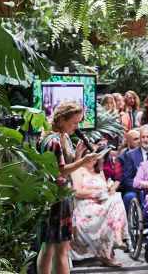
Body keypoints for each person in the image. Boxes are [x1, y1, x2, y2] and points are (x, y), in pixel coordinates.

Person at [37, 101, 100, 274]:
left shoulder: (58, 137)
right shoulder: (54, 141)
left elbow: (65, 164)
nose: (76, 126)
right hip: (57, 198)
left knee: (49, 246)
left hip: (53, 197)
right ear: (62, 120)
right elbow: (60, 171)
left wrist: (78, 154)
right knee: (61, 250)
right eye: (74, 122)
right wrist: (84, 161)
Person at [71, 145, 126, 267]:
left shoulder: (99, 171)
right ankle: (117, 239)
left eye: (95, 158)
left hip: (103, 203)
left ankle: (113, 244)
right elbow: (77, 192)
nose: (93, 161)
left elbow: (105, 189)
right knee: (115, 202)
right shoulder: (78, 170)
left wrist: (108, 188)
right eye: (90, 158)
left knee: (116, 198)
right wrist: (95, 194)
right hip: (86, 206)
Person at [121, 124, 148, 209]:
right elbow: (127, 180)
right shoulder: (130, 155)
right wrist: (142, 187)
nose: (145, 140)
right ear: (140, 139)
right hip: (138, 190)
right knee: (129, 196)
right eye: (143, 137)